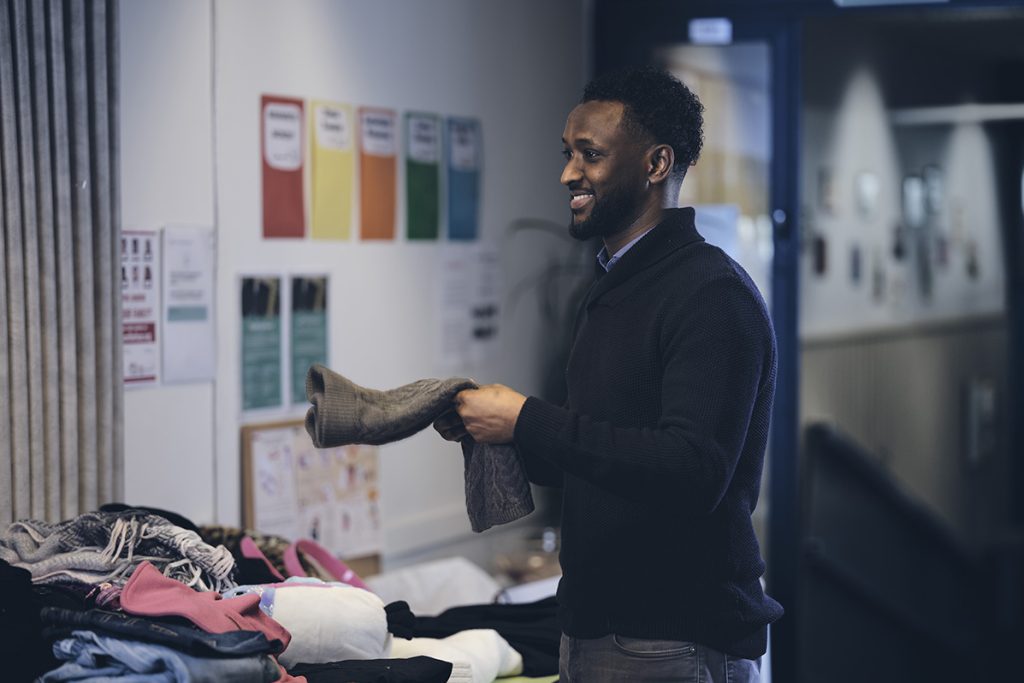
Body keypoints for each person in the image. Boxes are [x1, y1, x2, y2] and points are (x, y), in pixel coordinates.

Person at [434, 65, 783, 682]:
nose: (569, 172)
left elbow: (691, 470)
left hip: (674, 641)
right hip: (594, 628)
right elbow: (601, 459)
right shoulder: (615, 287)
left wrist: (527, 418)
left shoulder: (711, 294)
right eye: (568, 153)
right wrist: (505, 432)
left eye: (589, 155)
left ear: (655, 165)